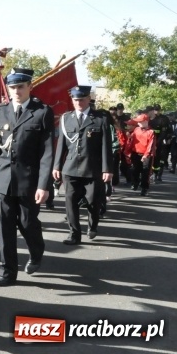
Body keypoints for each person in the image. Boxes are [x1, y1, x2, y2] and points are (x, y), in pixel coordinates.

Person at [0, 68, 54, 287]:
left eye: (20, 86)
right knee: (5, 227)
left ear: (29, 87)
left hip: (29, 180)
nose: (16, 91)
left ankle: (36, 251)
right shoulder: (0, 112)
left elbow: (46, 153)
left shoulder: (41, 112)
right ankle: (7, 271)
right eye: (12, 87)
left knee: (27, 223)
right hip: (3, 179)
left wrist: (43, 185)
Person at [52, 86, 113, 245]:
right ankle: (74, 234)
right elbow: (61, 146)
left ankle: (93, 226)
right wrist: (57, 166)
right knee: (70, 203)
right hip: (70, 168)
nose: (78, 102)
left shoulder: (100, 119)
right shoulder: (66, 118)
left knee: (93, 201)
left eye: (82, 99)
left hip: (92, 169)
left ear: (88, 100)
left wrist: (107, 169)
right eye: (75, 99)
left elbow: (106, 146)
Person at [124, 113, 155, 196]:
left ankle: (144, 188)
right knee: (135, 170)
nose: (138, 123)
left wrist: (146, 155)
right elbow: (132, 141)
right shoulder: (137, 129)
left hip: (146, 155)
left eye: (140, 121)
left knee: (145, 172)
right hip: (135, 153)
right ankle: (135, 183)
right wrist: (128, 151)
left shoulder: (151, 132)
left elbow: (150, 145)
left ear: (145, 121)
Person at [147, 105, 171, 182]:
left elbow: (165, 131)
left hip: (160, 141)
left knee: (160, 159)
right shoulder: (149, 118)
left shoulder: (163, 119)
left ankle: (157, 174)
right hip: (149, 142)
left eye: (158, 110)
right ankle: (148, 173)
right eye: (155, 110)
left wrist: (158, 142)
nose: (156, 111)